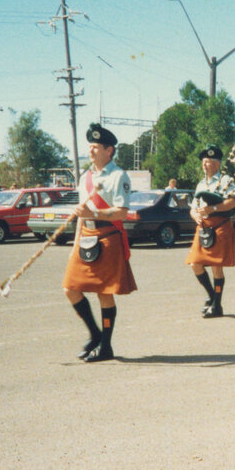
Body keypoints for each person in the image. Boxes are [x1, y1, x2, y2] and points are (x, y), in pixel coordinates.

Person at [62, 123, 137, 362]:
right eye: (90, 147)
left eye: (95, 147)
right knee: (70, 288)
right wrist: (75, 244)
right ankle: (94, 334)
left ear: (109, 150)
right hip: (85, 237)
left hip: (107, 238)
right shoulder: (86, 177)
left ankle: (106, 346)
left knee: (104, 293)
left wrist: (94, 215)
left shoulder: (118, 176)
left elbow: (121, 212)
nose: (91, 151)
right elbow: (83, 215)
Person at [186, 145, 235, 318]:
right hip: (202, 227)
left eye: (208, 160)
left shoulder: (226, 180)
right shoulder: (201, 183)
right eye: (203, 160)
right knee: (195, 263)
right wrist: (194, 213)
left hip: (219, 225)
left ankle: (217, 306)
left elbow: (233, 202)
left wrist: (214, 208)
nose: (205, 163)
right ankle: (212, 297)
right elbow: (193, 206)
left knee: (217, 267)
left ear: (217, 163)